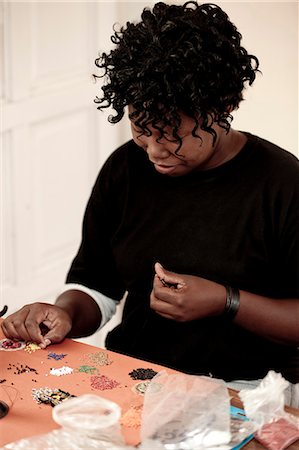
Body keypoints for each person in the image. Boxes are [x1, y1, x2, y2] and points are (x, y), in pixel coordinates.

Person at [2, 1, 299, 405]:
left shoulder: (283, 184)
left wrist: (225, 301)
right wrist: (65, 313)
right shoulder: (125, 169)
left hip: (245, 394)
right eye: (142, 130)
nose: (155, 151)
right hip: (135, 379)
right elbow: (96, 283)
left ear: (224, 106)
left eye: (173, 134)